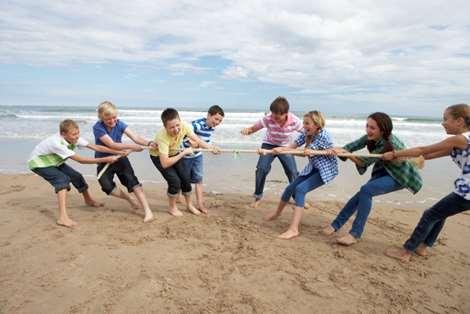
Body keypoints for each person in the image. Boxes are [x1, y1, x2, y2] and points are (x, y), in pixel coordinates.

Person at [384, 104, 470, 262]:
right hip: (466, 191)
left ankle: (406, 251)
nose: (443, 123)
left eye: (446, 119)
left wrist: (395, 153)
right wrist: (404, 157)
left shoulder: (460, 139)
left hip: (466, 193)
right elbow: (428, 155)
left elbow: (423, 150)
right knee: (440, 214)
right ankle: (423, 247)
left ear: (459, 121)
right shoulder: (461, 142)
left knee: (430, 215)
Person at [322, 112, 423, 245]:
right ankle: (335, 225)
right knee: (360, 195)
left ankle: (355, 234)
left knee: (366, 190)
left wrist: (347, 154)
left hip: (400, 176)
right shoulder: (369, 137)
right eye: (367, 126)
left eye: (372, 128)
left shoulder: (388, 143)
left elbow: (363, 162)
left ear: (383, 130)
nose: (368, 130)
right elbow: (350, 147)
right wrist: (334, 150)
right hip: (384, 170)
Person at [28, 119, 123, 227]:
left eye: (78, 133)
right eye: (74, 134)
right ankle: (62, 218)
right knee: (62, 180)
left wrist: (118, 152)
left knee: (76, 176)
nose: (77, 136)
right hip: (39, 163)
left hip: (54, 161)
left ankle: (89, 200)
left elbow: (96, 147)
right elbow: (81, 160)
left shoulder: (74, 138)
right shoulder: (57, 143)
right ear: (63, 134)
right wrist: (106, 159)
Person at [264, 111, 338, 239]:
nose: (304, 126)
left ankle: (294, 229)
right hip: (313, 166)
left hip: (325, 170)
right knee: (289, 189)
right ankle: (277, 213)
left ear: (317, 124)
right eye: (303, 123)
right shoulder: (306, 133)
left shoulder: (324, 136)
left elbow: (304, 153)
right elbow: (293, 146)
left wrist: (286, 151)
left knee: (300, 190)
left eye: (307, 123)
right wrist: (281, 149)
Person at [149, 108, 220, 216]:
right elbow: (165, 163)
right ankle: (172, 208)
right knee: (175, 182)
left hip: (174, 153)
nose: (176, 129)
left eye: (177, 125)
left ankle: (189, 205)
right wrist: (183, 153)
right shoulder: (162, 137)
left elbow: (197, 139)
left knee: (185, 179)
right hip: (159, 157)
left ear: (180, 121)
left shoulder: (185, 126)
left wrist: (211, 148)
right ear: (165, 127)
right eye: (171, 127)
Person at [93, 101, 155, 222]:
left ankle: (148, 211)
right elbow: (112, 144)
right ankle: (129, 199)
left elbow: (135, 137)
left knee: (133, 182)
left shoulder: (119, 124)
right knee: (106, 187)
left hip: (120, 158)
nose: (112, 121)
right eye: (108, 119)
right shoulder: (98, 127)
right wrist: (131, 148)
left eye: (114, 117)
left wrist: (149, 143)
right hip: (105, 160)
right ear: (101, 118)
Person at [241, 96, 302, 208]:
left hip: (285, 147)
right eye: (273, 115)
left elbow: (307, 133)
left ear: (286, 113)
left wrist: (307, 145)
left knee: (292, 172)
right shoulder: (268, 118)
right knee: (261, 169)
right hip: (269, 145)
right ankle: (258, 197)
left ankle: (297, 198)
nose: (274, 119)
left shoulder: (295, 121)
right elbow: (253, 128)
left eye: (278, 117)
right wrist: (247, 131)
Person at [181, 105, 224, 214]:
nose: (218, 122)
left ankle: (200, 204)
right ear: (209, 115)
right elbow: (183, 135)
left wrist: (213, 148)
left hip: (197, 156)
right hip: (185, 156)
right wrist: (192, 142)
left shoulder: (212, 128)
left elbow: (206, 142)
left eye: (220, 120)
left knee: (199, 179)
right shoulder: (197, 125)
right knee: (184, 180)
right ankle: (179, 198)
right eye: (216, 119)